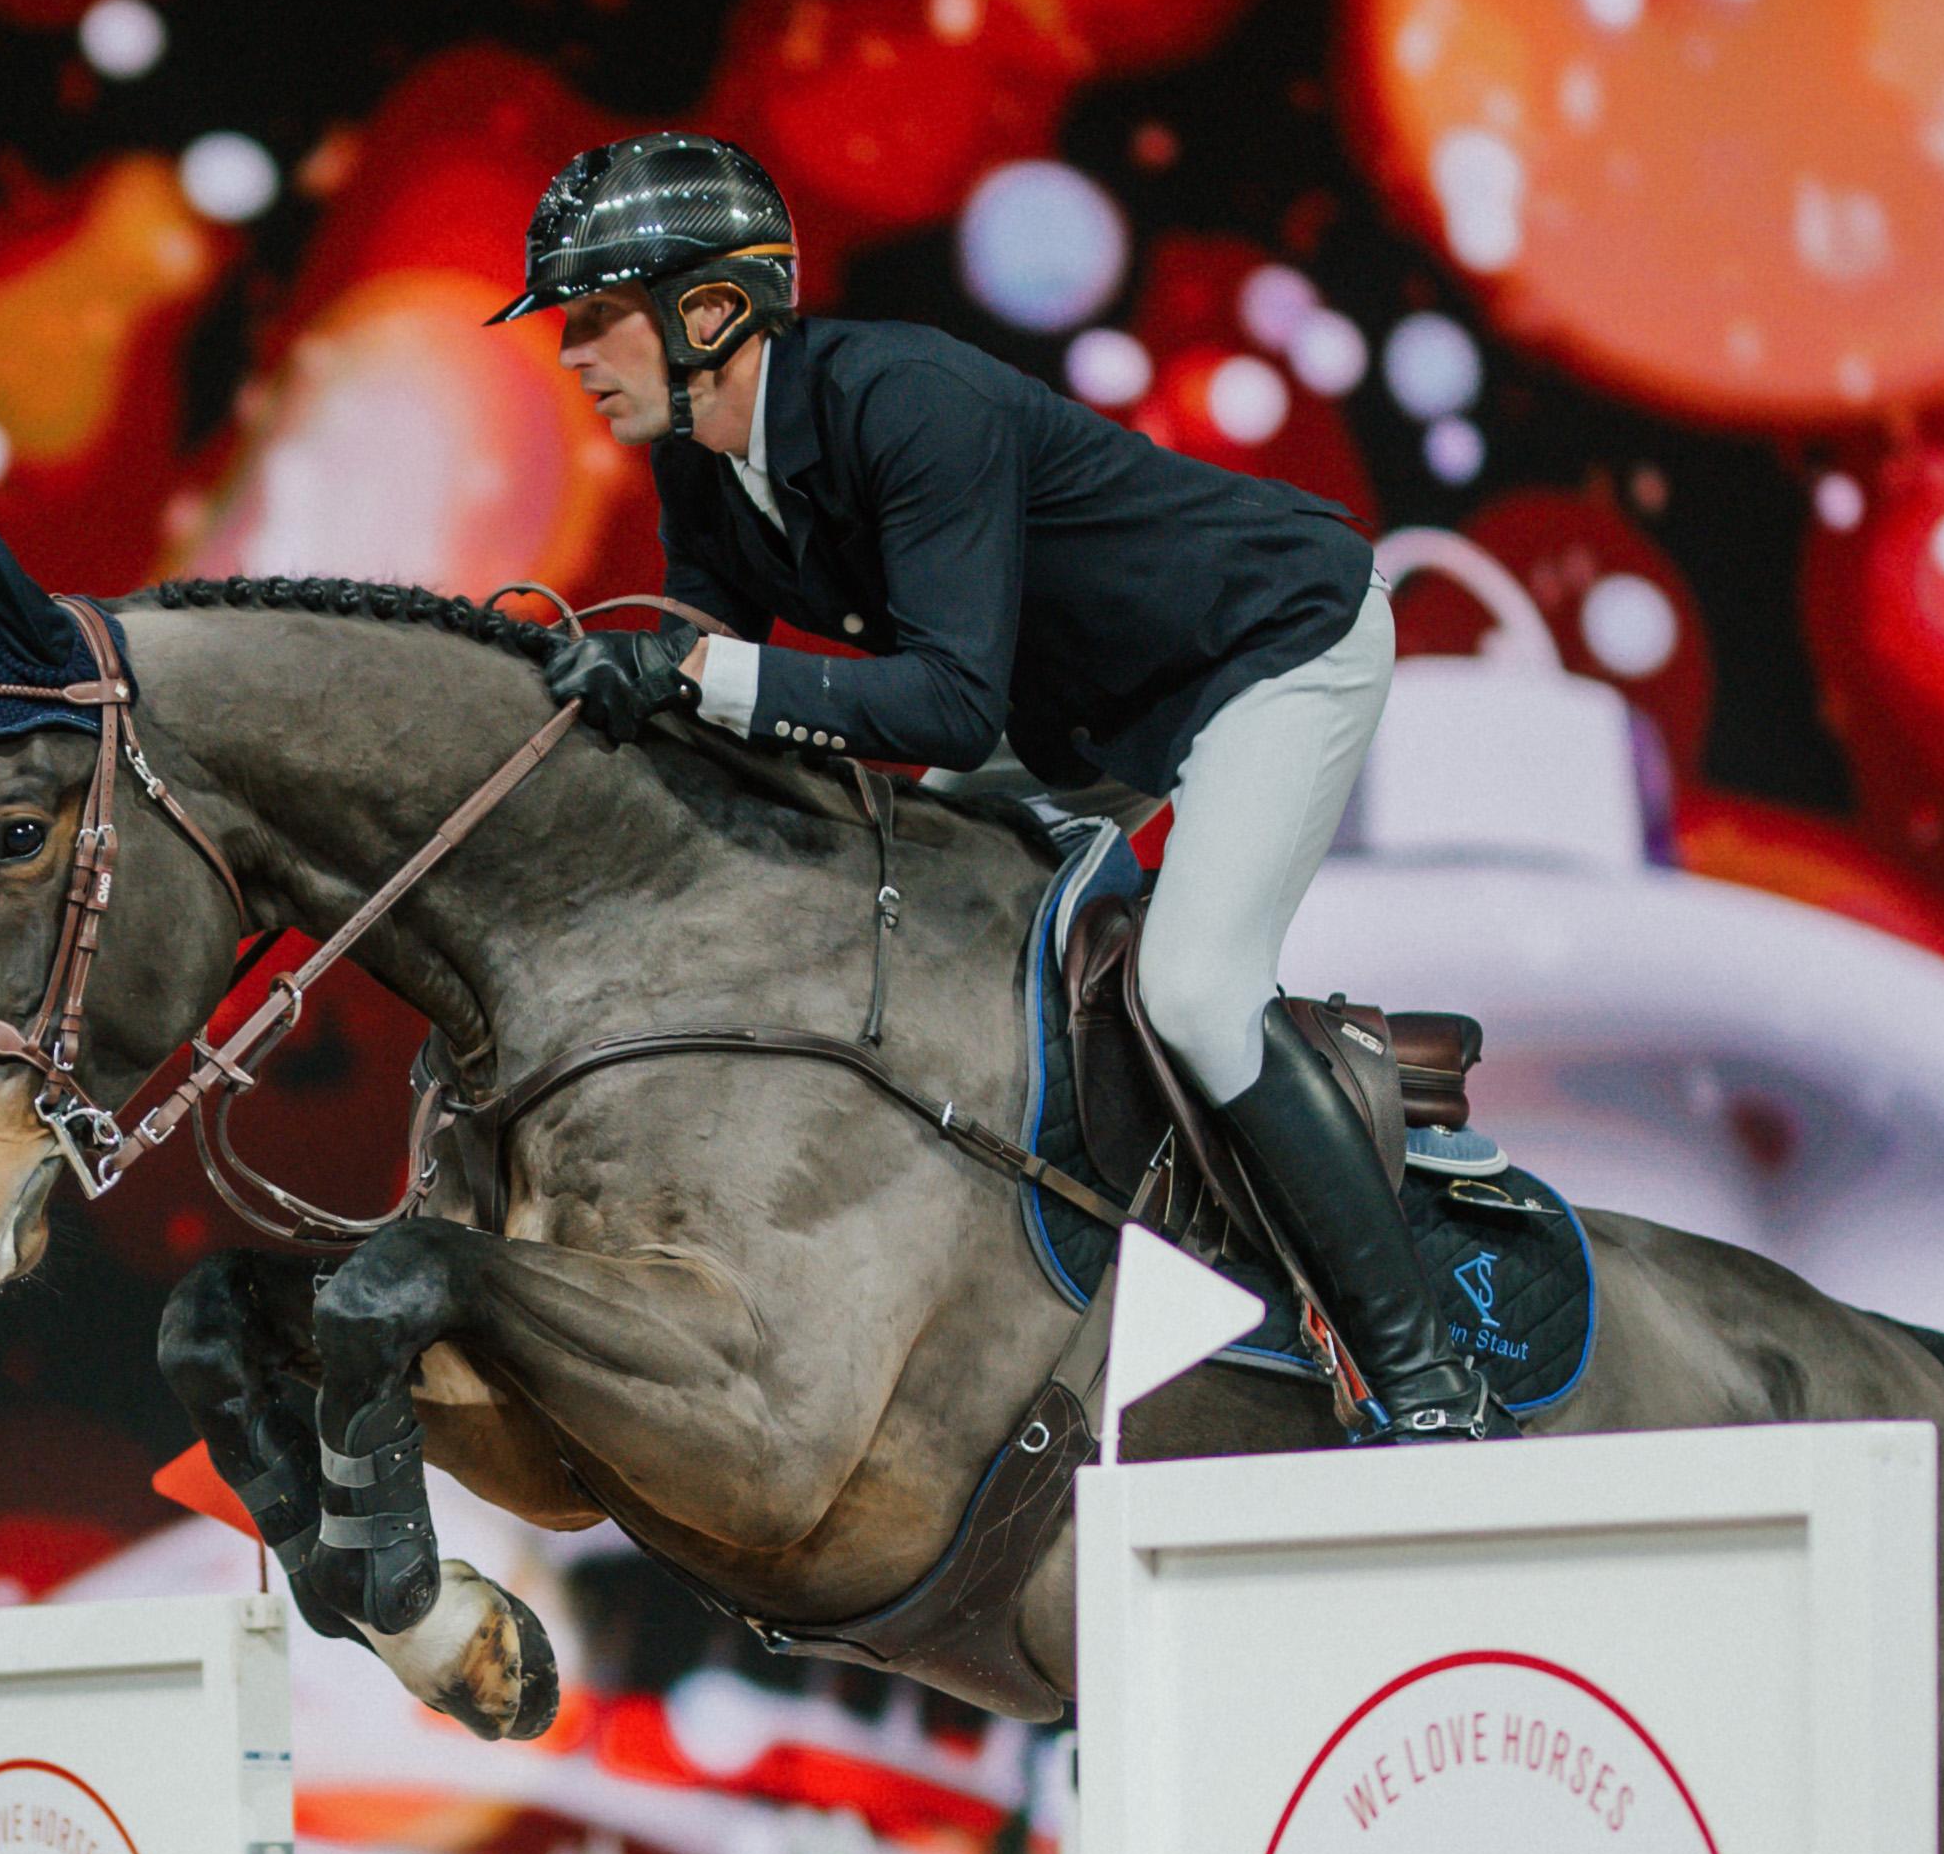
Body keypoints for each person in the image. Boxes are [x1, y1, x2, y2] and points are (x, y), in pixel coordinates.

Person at [492, 129, 1500, 1438]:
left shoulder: (909, 402)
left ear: (713, 309)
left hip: (1263, 646)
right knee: (907, 931)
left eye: (596, 319)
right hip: (1074, 710)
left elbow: (943, 704)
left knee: (1195, 989)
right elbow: (703, 676)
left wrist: (689, 678)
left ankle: (1426, 1378)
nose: (570, 354)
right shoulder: (698, 461)